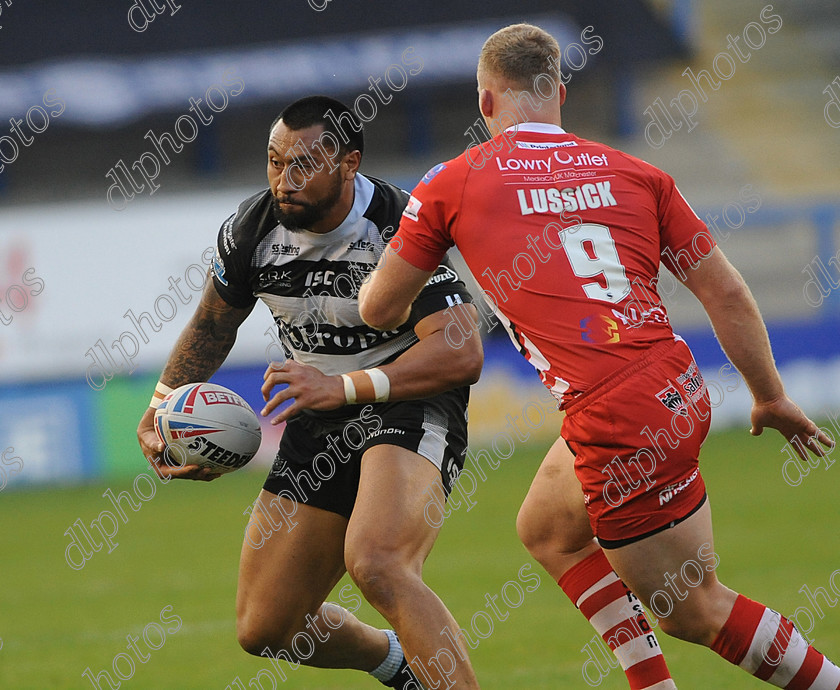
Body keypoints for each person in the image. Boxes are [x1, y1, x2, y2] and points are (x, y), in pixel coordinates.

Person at [359, 23, 840, 690]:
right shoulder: (636, 173)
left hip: (616, 419)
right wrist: (769, 394)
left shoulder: (451, 183)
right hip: (670, 383)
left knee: (695, 610)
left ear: (485, 103)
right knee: (548, 529)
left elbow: (378, 309)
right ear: (559, 92)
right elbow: (725, 288)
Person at [136, 95, 484, 689]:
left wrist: (341, 386)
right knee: (267, 626)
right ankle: (398, 665)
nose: (283, 180)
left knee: (378, 564)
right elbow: (215, 322)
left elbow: (460, 352)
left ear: (349, 164)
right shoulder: (253, 229)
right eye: (274, 162)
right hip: (320, 413)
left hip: (406, 400)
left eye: (302, 165)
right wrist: (160, 407)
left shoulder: (400, 225)